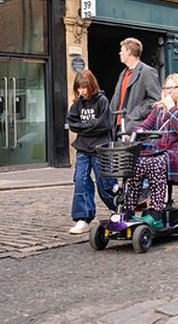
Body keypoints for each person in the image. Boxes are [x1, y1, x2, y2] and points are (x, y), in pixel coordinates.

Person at [125, 73, 178, 230]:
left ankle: (156, 213)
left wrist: (172, 108)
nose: (168, 91)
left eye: (172, 88)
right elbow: (145, 126)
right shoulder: (159, 109)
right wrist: (133, 134)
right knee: (137, 162)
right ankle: (128, 209)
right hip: (162, 152)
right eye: (166, 88)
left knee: (156, 162)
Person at [65, 69, 117, 234]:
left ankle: (119, 208)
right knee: (80, 180)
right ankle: (83, 218)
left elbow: (105, 124)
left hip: (101, 148)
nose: (83, 91)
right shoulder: (77, 104)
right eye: (79, 87)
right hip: (82, 148)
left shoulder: (102, 101)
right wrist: (92, 125)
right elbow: (72, 123)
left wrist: (84, 127)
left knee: (105, 182)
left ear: (92, 85)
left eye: (85, 87)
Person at [112, 37, 162, 136]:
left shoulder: (147, 72)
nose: (119, 53)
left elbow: (156, 100)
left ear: (129, 52)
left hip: (135, 128)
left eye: (122, 50)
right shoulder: (123, 74)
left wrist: (136, 114)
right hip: (118, 128)